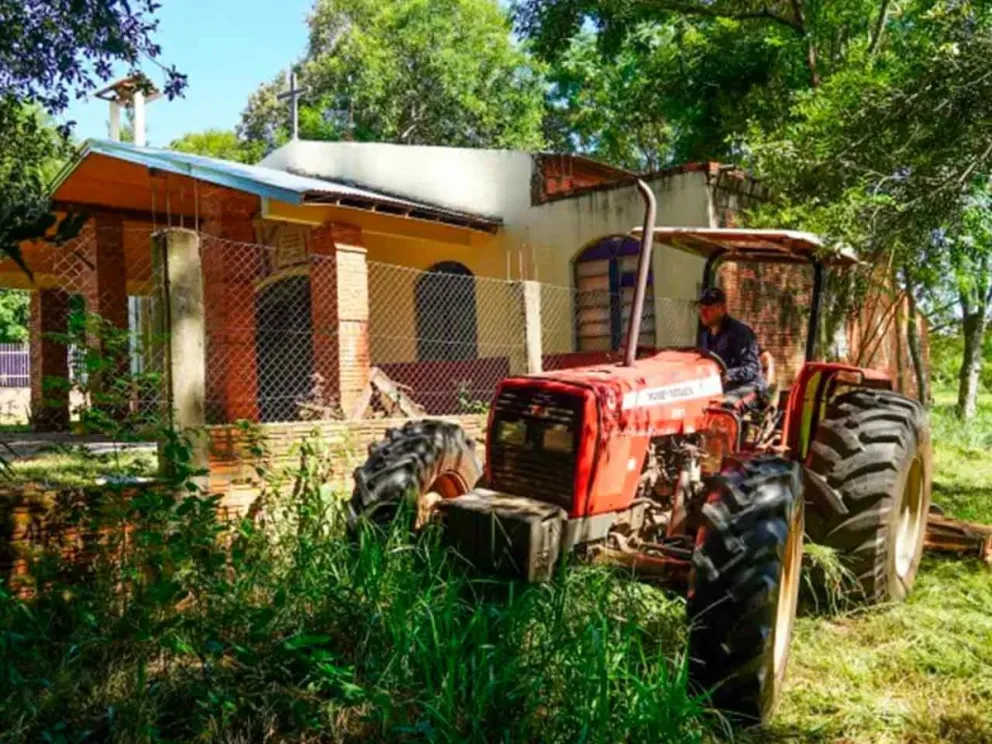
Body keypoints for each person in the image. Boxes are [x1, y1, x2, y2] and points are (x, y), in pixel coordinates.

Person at [696, 287, 767, 405]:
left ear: (723, 309)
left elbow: (752, 368)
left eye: (709, 308)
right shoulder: (704, 337)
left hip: (749, 387)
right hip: (722, 387)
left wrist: (727, 375)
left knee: (720, 405)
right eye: (701, 308)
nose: (703, 313)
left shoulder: (740, 332)